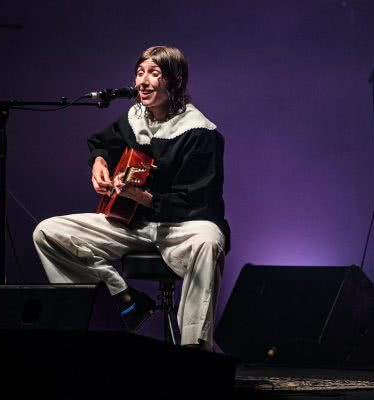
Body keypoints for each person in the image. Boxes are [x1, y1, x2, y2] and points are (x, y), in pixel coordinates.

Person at [33, 45, 230, 351]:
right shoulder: (135, 118)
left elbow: (197, 203)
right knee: (48, 233)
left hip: (182, 225)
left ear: (175, 81)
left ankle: (194, 350)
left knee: (208, 240)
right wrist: (98, 163)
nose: (143, 81)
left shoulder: (200, 132)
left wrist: (143, 197)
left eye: (154, 73)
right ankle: (123, 300)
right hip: (135, 223)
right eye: (140, 73)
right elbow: (101, 143)